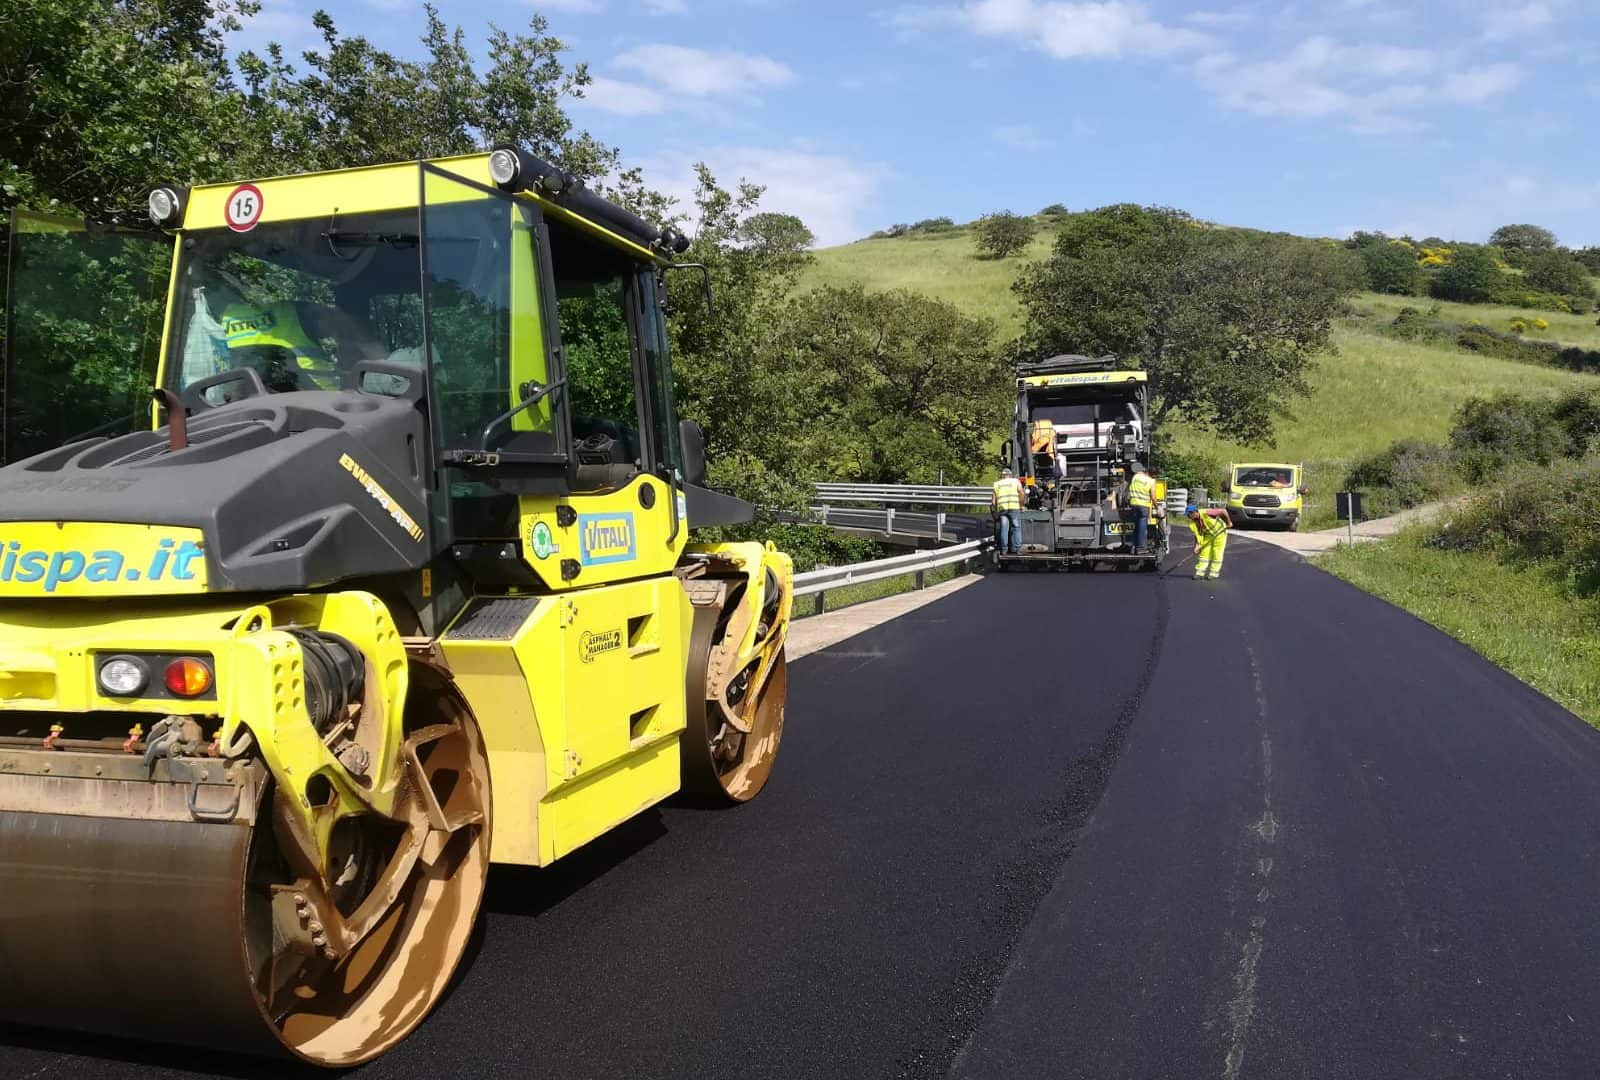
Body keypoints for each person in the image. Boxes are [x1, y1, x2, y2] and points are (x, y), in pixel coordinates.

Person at [1186, 503, 1233, 580]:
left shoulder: (1206, 512)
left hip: (1219, 533)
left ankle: (1214, 573)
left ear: (1194, 512)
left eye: (1189, 515)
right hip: (1208, 535)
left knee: (1217, 552)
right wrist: (1197, 546)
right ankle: (1200, 573)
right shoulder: (1193, 522)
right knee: (1204, 552)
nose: (1188, 517)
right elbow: (1197, 535)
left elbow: (1223, 511)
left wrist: (1228, 522)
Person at [992, 467, 1025, 555]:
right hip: (1014, 508)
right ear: (1010, 475)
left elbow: (993, 501)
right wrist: (1021, 505)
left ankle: (1004, 550)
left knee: (1004, 529)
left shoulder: (997, 484)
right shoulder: (1015, 481)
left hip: (1002, 510)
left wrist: (995, 512)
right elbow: (1022, 493)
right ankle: (1018, 549)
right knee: (1016, 528)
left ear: (1002, 475)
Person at [1127, 461, 1156, 555]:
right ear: (1153, 475)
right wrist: (1157, 507)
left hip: (1134, 504)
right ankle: (1140, 548)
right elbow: (1153, 497)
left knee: (1136, 526)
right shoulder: (1151, 481)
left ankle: (1133, 547)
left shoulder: (1136, 476)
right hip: (1143, 506)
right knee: (1142, 527)